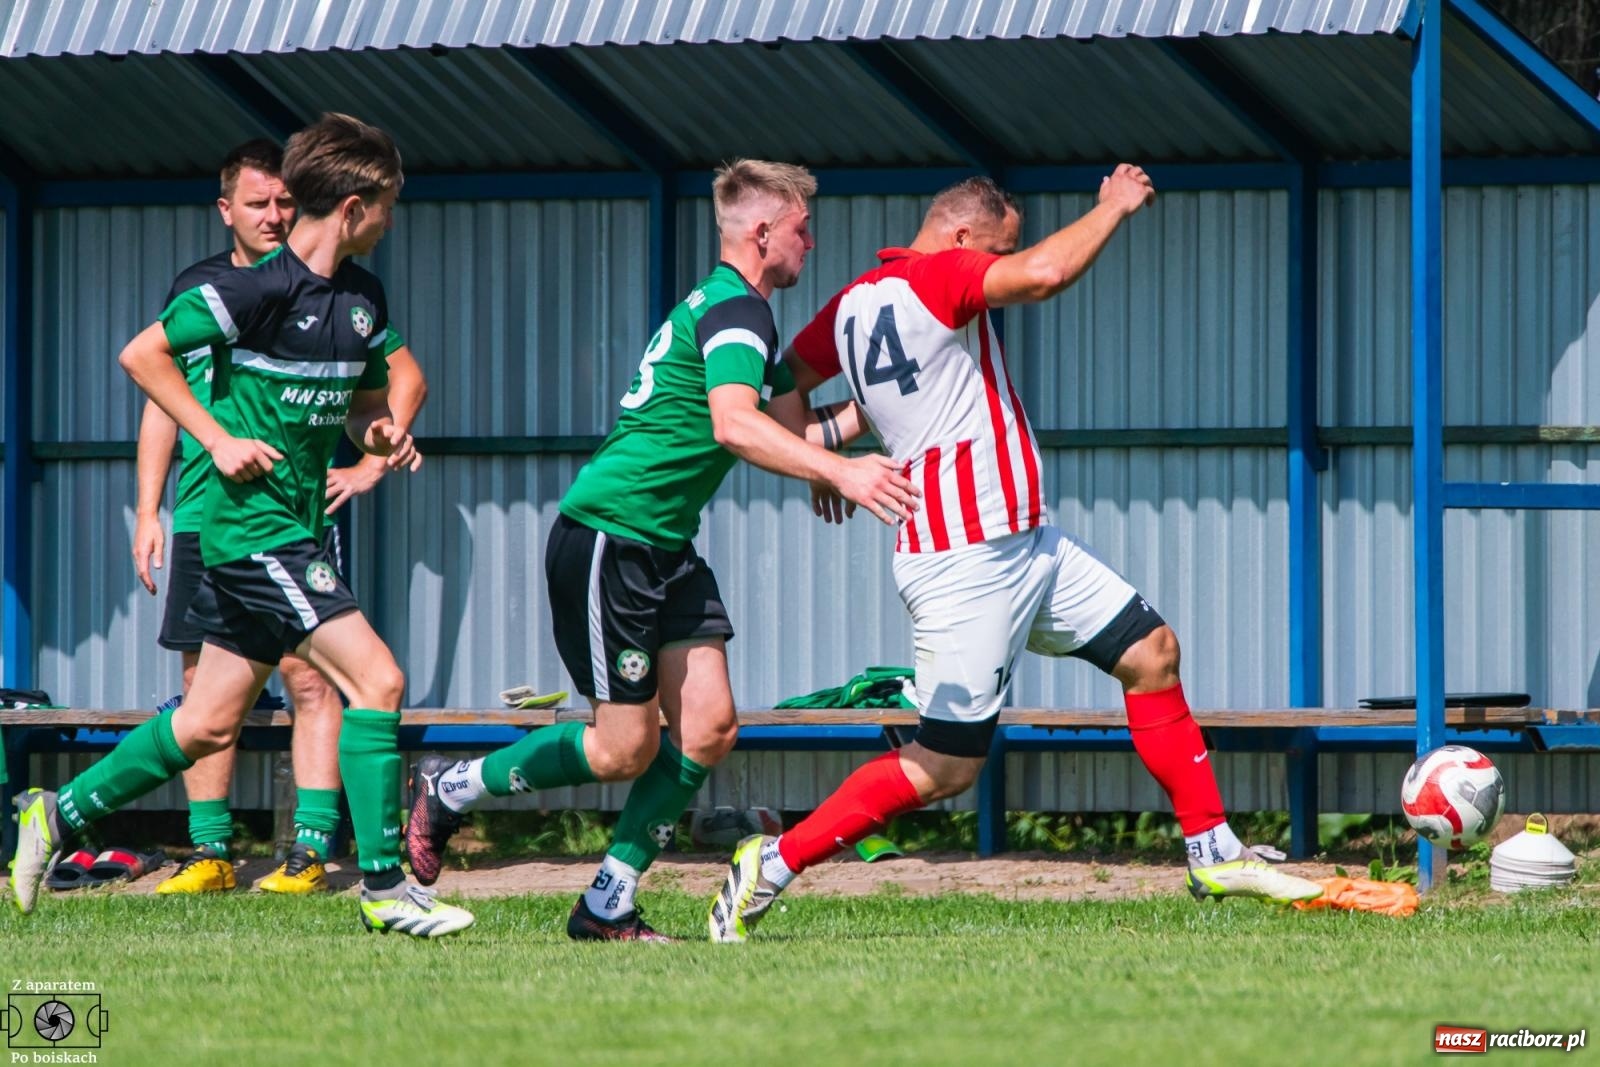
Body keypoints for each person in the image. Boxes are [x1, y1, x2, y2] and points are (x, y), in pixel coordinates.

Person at [708, 170, 1324, 943]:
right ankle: (773, 859)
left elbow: (785, 378)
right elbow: (1046, 273)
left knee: (1152, 652)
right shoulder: (942, 272)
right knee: (945, 766)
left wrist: (815, 460)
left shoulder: (856, 302)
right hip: (966, 558)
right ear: (964, 238)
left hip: (1025, 541)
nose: (1000, 266)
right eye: (997, 249)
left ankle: (1212, 849)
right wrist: (1112, 206)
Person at [403, 159, 918, 941]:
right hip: (611, 535)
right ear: (762, 231)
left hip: (665, 545)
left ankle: (607, 902)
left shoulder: (738, 311)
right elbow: (734, 427)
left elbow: (785, 430)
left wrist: (873, 413)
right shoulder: (738, 312)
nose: (812, 243)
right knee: (621, 748)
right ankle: (452, 789)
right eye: (803, 229)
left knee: (709, 726)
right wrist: (840, 470)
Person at [12, 113, 471, 938]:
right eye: (391, 205)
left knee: (206, 721)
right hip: (249, 528)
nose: (395, 220)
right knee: (380, 681)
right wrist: (217, 438)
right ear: (357, 206)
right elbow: (141, 354)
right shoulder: (249, 290)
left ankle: (55, 810)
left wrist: (381, 433)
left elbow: (367, 400)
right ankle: (381, 885)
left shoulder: (360, 299)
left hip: (288, 521)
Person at [131, 139, 427, 895]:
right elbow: (153, 380)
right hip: (221, 517)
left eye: (282, 202)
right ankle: (221, 851)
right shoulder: (221, 290)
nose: (273, 214)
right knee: (230, 695)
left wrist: (373, 446)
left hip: (286, 520)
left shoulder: (351, 293)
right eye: (257, 203)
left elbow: (380, 392)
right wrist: (152, 506)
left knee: (299, 685)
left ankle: (310, 849)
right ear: (225, 209)